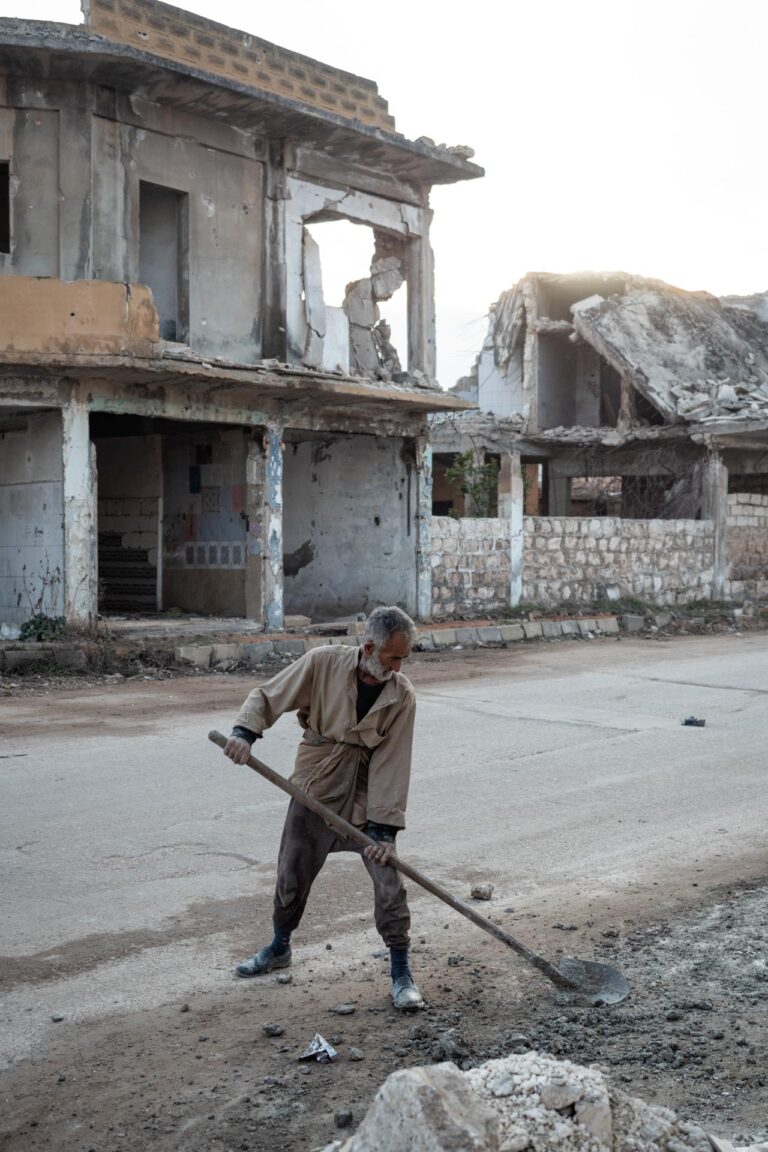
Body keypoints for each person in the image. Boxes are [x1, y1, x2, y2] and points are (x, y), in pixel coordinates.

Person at [223, 605, 424, 1011]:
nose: (400, 666)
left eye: (404, 657)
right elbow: (269, 695)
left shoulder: (401, 695)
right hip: (316, 782)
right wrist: (245, 733)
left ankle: (401, 970)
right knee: (292, 869)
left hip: (367, 790)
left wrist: (383, 831)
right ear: (368, 647)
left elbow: (393, 762)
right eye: (393, 658)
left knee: (389, 880)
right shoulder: (322, 662)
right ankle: (280, 947)